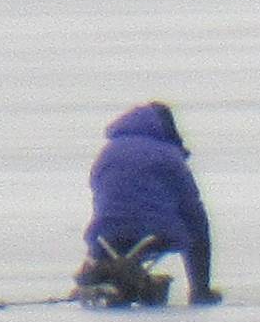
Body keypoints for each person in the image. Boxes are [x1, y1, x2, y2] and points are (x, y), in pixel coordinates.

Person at [85, 103, 219, 304]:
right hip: (154, 234)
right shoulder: (168, 155)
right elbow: (192, 212)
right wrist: (201, 286)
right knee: (193, 223)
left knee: (120, 226)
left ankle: (107, 276)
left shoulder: (107, 152)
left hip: (104, 235)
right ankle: (200, 291)